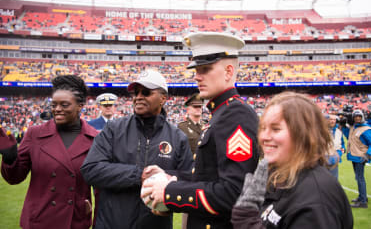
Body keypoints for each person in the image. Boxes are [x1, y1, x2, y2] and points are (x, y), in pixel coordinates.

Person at [141, 32, 260, 229]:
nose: (197, 76)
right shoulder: (222, 113)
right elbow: (208, 177)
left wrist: (169, 192)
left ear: (229, 72)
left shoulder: (236, 114)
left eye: (205, 69)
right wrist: (171, 176)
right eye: (197, 69)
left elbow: (234, 192)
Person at [80, 69, 194, 229]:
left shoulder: (177, 137)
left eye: (146, 92)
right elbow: (91, 169)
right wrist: (138, 175)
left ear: (163, 98)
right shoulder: (114, 130)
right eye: (136, 93)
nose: (138, 97)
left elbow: (188, 180)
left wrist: (167, 186)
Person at [231, 92, 353, 229]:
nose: (264, 136)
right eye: (263, 128)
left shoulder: (316, 198)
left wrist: (247, 222)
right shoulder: (283, 177)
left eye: (275, 129)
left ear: (303, 133)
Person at [1, 75, 98, 229]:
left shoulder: (95, 138)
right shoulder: (34, 134)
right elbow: (15, 178)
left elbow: (101, 189)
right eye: (54, 105)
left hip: (75, 221)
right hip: (39, 219)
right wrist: (10, 158)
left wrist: (99, 221)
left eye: (64, 105)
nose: (57, 109)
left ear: (80, 105)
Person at [342, 109, 371, 208]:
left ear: (362, 117)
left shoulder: (365, 129)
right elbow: (348, 137)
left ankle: (363, 202)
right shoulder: (354, 127)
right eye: (355, 117)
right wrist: (343, 126)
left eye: (359, 116)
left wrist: (368, 154)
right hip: (355, 156)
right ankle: (362, 197)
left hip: (360, 156)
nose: (357, 118)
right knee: (358, 178)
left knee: (360, 178)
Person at [177, 93, 204, 229]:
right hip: (189, 173)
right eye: (195, 107)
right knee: (189, 208)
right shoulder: (181, 127)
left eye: (200, 107)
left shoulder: (206, 127)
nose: (198, 109)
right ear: (188, 109)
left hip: (205, 175)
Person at [327, 114, 345, 180]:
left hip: (335, 160)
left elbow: (342, 145)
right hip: (323, 160)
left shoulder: (339, 132)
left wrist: (339, 155)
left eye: (334, 119)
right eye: (331, 119)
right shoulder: (321, 131)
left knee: (334, 180)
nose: (332, 121)